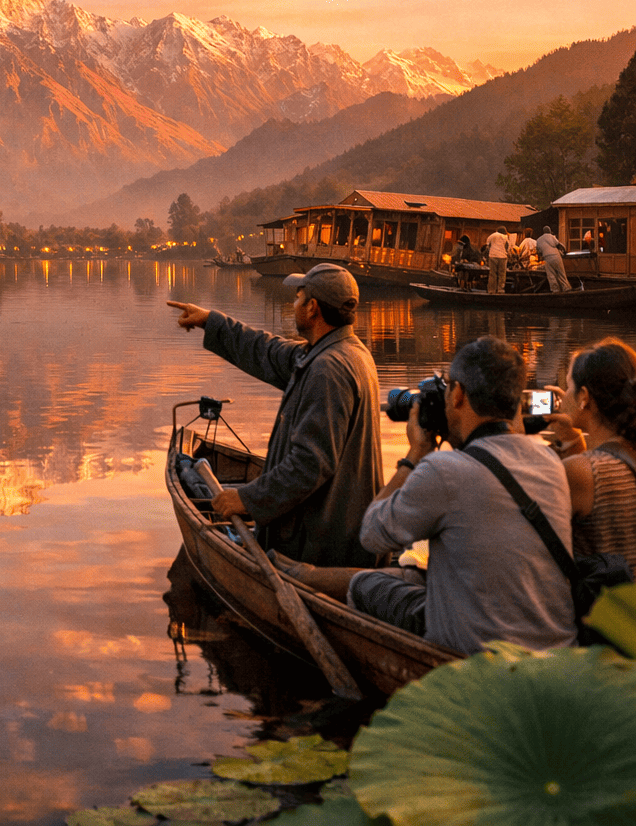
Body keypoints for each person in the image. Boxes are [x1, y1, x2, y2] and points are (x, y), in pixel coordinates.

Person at [347, 336, 576, 653]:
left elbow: (372, 534)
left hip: (476, 657)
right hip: (555, 653)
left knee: (365, 584)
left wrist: (415, 454)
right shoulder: (550, 462)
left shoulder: (442, 470)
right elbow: (486, 466)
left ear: (457, 395)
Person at [167, 263, 384, 567]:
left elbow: (310, 465)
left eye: (297, 298)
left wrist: (247, 499)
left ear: (312, 308)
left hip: (320, 544)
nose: (293, 305)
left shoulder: (328, 370)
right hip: (335, 527)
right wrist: (210, 321)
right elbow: (266, 350)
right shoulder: (339, 352)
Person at [546, 338, 636, 568]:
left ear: (584, 397)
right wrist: (570, 439)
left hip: (609, 603)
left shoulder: (582, 472)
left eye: (569, 387)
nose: (564, 395)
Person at [534, 226, 571, 293]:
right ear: (549, 231)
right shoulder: (551, 236)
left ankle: (555, 290)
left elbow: (538, 252)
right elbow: (558, 245)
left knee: (551, 275)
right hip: (556, 256)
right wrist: (564, 251)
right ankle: (566, 288)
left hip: (546, 258)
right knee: (561, 273)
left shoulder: (539, 240)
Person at [484, 225, 512, 294]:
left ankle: (491, 290)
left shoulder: (491, 235)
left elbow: (487, 246)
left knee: (492, 274)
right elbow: (507, 247)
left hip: (492, 256)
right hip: (502, 257)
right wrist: (507, 254)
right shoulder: (505, 237)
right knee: (501, 274)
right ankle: (500, 290)